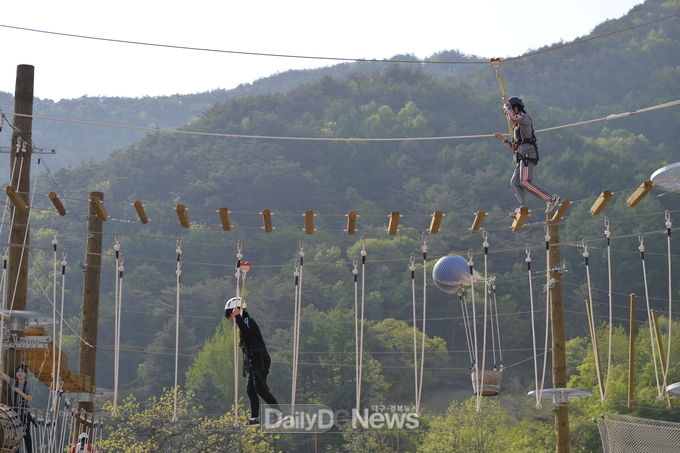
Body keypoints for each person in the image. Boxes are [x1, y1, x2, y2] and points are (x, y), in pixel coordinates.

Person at [495, 96, 561, 216]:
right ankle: (523, 206)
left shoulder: (524, 118)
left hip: (528, 154)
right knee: (514, 182)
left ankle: (551, 198)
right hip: (521, 156)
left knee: (525, 182)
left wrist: (506, 105)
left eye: (511, 109)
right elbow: (515, 149)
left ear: (515, 108)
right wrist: (504, 140)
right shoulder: (516, 129)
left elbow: (513, 117)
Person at [225, 297, 281, 427]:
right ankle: (254, 418)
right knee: (250, 390)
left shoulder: (247, 321)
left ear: (236, 311)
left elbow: (248, 333)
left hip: (259, 359)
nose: (230, 319)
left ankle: (279, 414)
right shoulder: (242, 323)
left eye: (230, 315)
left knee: (260, 389)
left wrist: (238, 317)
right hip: (252, 361)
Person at [1, 364, 33, 453]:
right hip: (14, 413)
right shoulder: (13, 382)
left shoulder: (28, 384)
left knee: (26, 435)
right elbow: (3, 375)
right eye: (18, 371)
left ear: (25, 374)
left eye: (22, 371)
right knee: (16, 434)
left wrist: (20, 392)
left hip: (25, 413)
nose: (19, 373)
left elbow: (30, 398)